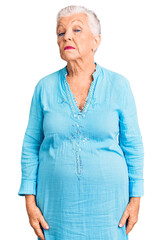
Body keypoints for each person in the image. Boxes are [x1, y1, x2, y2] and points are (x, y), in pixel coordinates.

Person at [18, 5, 144, 240]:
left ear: (96, 41)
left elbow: (133, 144)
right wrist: (29, 200)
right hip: (54, 207)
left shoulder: (119, 85)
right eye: (60, 32)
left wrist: (136, 198)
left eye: (76, 30)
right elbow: (30, 144)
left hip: (109, 209)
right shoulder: (44, 88)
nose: (66, 36)